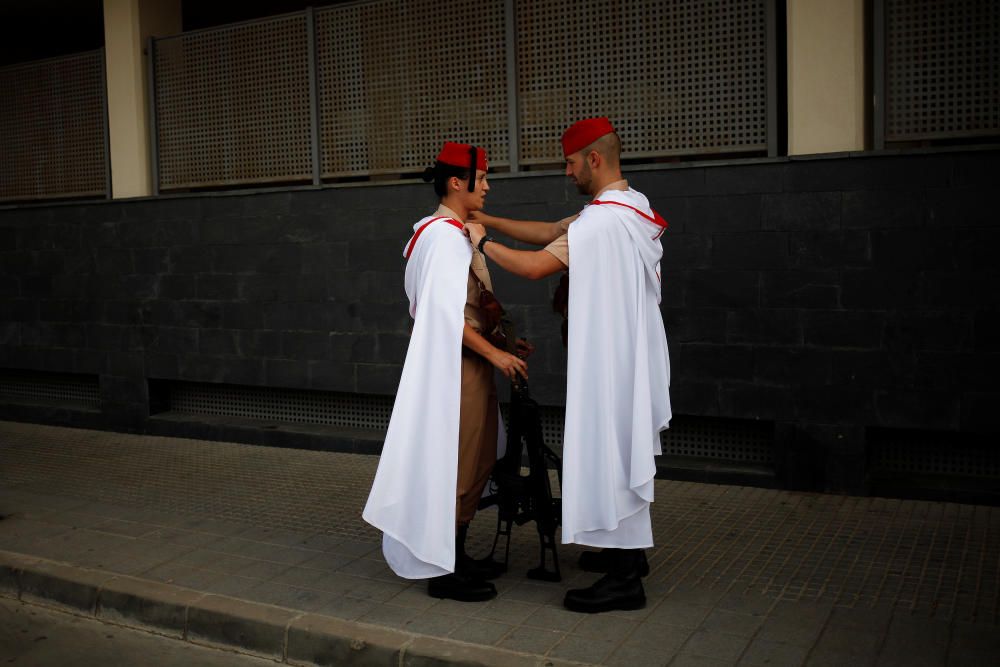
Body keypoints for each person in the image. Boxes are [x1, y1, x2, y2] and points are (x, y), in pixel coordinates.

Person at [466, 117, 671, 613]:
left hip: (611, 365)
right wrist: (488, 222)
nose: (567, 171)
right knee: (620, 453)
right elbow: (548, 233)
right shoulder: (629, 207)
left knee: (611, 454)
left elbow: (537, 264)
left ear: (594, 159)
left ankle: (625, 581)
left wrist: (477, 243)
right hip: (630, 356)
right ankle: (628, 555)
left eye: (571, 161)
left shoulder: (603, 222)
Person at [363, 142, 529, 602]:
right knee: (457, 464)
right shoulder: (440, 236)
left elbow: (467, 309)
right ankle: (441, 570)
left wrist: (502, 344)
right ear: (457, 182)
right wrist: (495, 356)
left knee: (475, 460)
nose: (489, 186)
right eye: (482, 178)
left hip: (469, 361)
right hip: (456, 367)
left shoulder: (453, 232)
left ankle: (452, 555)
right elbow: (442, 314)